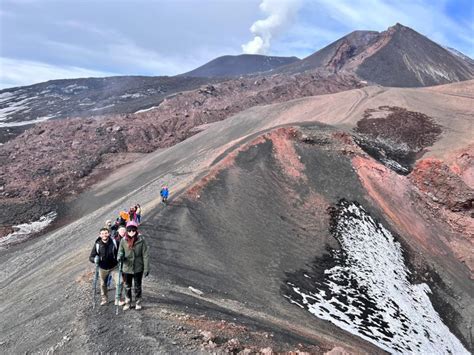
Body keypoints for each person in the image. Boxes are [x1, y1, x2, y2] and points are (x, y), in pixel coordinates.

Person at [118, 221, 150, 310]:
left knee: (137, 286)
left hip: (138, 268)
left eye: (133, 230)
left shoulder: (141, 240)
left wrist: (146, 268)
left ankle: (138, 302)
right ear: (127, 231)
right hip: (126, 267)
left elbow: (145, 255)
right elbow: (120, 251)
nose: (131, 232)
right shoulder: (123, 240)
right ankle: (128, 302)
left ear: (136, 230)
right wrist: (120, 256)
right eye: (129, 230)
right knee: (127, 286)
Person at [89, 227, 119, 306]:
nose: (104, 235)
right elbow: (91, 257)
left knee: (120, 282)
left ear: (109, 233)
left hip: (114, 267)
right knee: (103, 284)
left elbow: (120, 251)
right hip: (102, 268)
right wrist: (94, 259)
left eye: (106, 233)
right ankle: (104, 299)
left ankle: (118, 298)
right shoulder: (97, 244)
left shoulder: (115, 242)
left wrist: (121, 256)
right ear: (100, 235)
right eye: (102, 234)